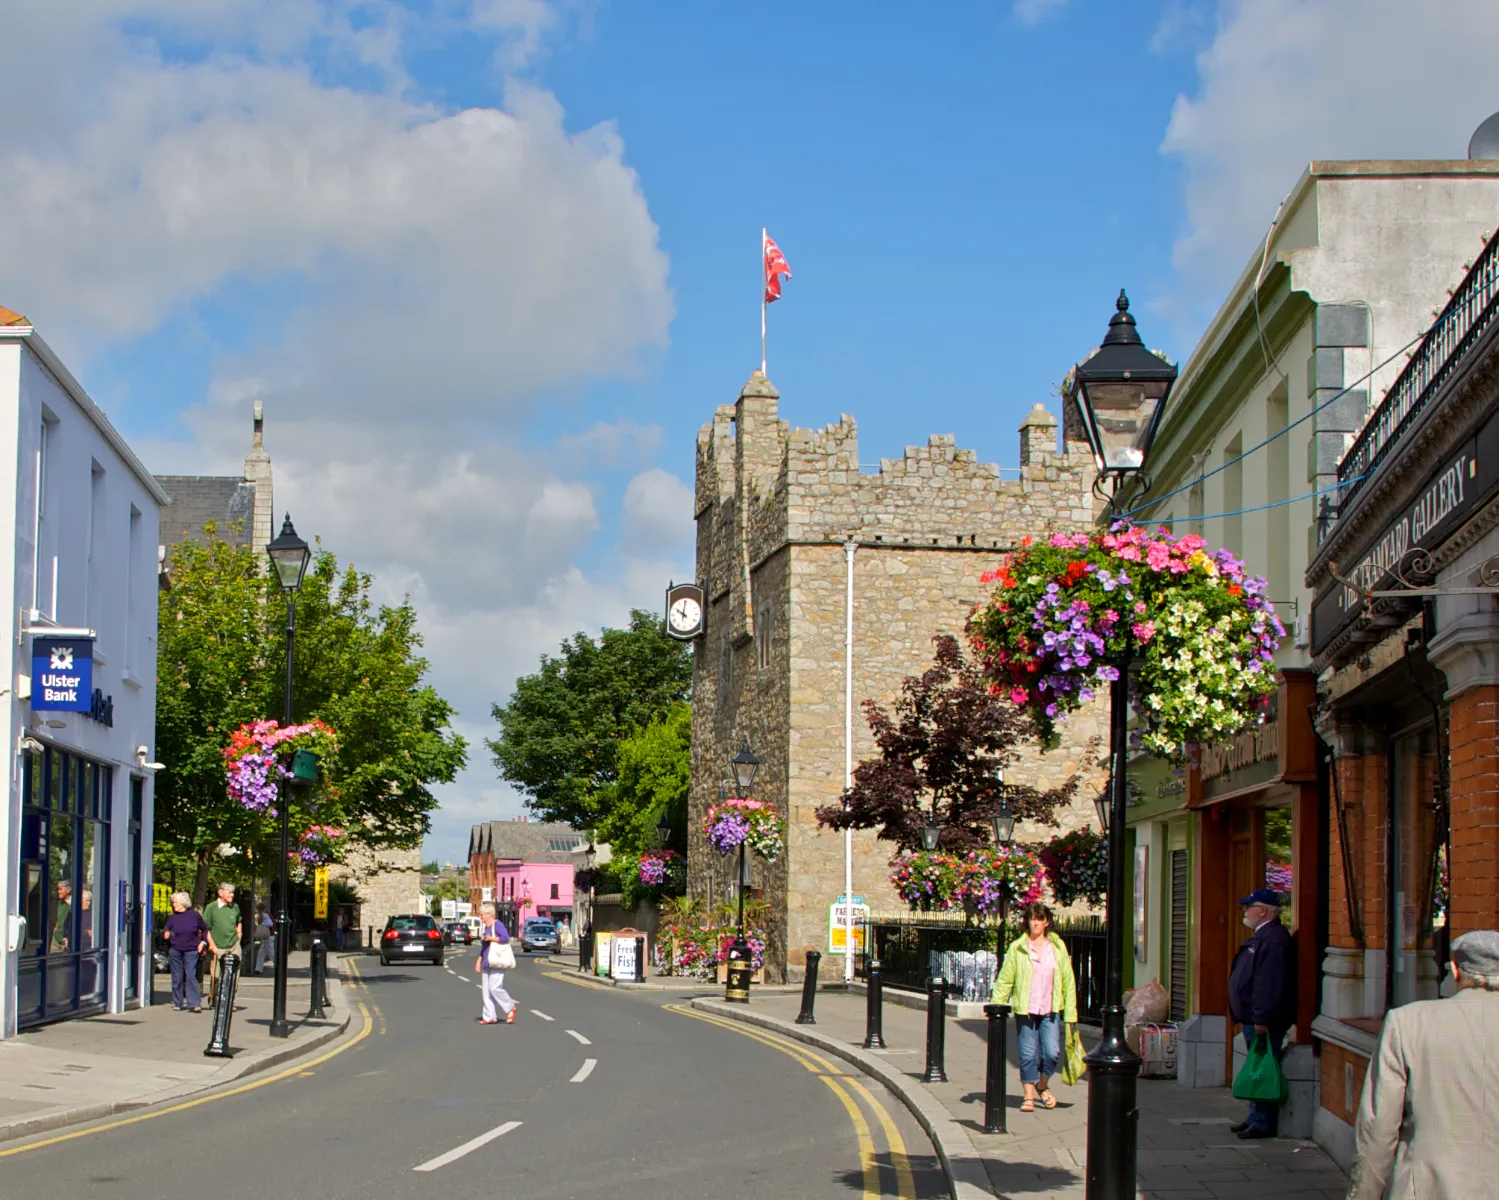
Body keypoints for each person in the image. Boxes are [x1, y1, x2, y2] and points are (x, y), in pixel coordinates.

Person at [1349, 929, 1499, 1199]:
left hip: (1431, 1186)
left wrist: (1364, 1194)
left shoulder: (1409, 1022)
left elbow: (1379, 1126)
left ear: (1454, 971)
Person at [992, 901, 1078, 1112]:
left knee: (1052, 1053)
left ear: (1047, 922)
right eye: (1032, 918)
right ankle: (1028, 1096)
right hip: (1026, 1010)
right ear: (1027, 922)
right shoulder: (1018, 948)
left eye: (1040, 919)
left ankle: (1043, 1085)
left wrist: (1071, 1013)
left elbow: (1068, 980)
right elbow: (1005, 979)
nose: (1035, 923)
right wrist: (996, 1006)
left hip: (1050, 1009)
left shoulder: (1057, 948)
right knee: (1028, 1054)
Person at [1227, 887, 1296, 1139]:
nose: (1245, 911)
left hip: (1262, 1019)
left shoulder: (1273, 938)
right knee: (1257, 1065)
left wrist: (1262, 1018)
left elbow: (1269, 982)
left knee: (1263, 1066)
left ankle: (1262, 1121)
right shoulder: (1262, 936)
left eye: (1249, 906)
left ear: (1263, 911)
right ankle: (1255, 1116)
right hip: (1253, 1017)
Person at [161, 892, 209, 1012]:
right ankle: (178, 1002)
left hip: (191, 950)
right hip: (175, 950)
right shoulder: (172, 918)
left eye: (175, 902)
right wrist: (166, 933)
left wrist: (203, 943)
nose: (173, 904)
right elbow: (166, 929)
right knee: (177, 977)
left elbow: (204, 929)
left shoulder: (194, 916)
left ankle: (194, 1003)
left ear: (183, 903)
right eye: (173, 902)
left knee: (191, 975)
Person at [474, 902, 517, 1025]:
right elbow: (484, 947)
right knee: (486, 992)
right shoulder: (485, 928)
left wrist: (491, 939)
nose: (480, 917)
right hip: (487, 962)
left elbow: (505, 938)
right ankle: (489, 1016)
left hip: (497, 961)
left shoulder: (497, 925)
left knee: (495, 988)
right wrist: (479, 961)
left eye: (481, 914)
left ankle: (509, 1007)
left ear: (489, 914)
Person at [204, 882, 242, 1006]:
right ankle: (214, 998)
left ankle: (231, 1002)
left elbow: (239, 921)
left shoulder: (235, 907)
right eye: (229, 892)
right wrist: (212, 945)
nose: (232, 895)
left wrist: (239, 935)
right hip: (218, 946)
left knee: (234, 975)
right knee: (216, 976)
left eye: (233, 892)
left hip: (233, 944)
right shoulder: (211, 908)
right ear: (220, 893)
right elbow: (206, 928)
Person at [51, 881, 72, 952]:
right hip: (56, 939)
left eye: (61, 889)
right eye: (58, 889)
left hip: (66, 940)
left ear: (68, 890)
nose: (58, 891)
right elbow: (59, 917)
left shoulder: (74, 904)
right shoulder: (60, 903)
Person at [252, 904, 274, 975]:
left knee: (270, 952)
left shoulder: (264, 915)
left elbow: (270, 923)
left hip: (268, 936)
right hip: (269, 935)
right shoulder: (267, 914)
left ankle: (279, 967)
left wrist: (262, 924)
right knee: (261, 953)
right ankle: (258, 969)